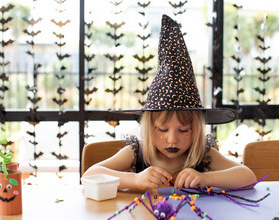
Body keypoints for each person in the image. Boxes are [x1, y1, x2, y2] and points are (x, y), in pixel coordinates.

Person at [82, 15, 257, 190]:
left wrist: (206, 178)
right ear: (150, 127)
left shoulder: (202, 155)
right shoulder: (136, 154)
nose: (172, 139)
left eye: (183, 130)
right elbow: (89, 175)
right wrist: (134, 180)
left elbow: (249, 177)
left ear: (195, 129)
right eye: (163, 129)